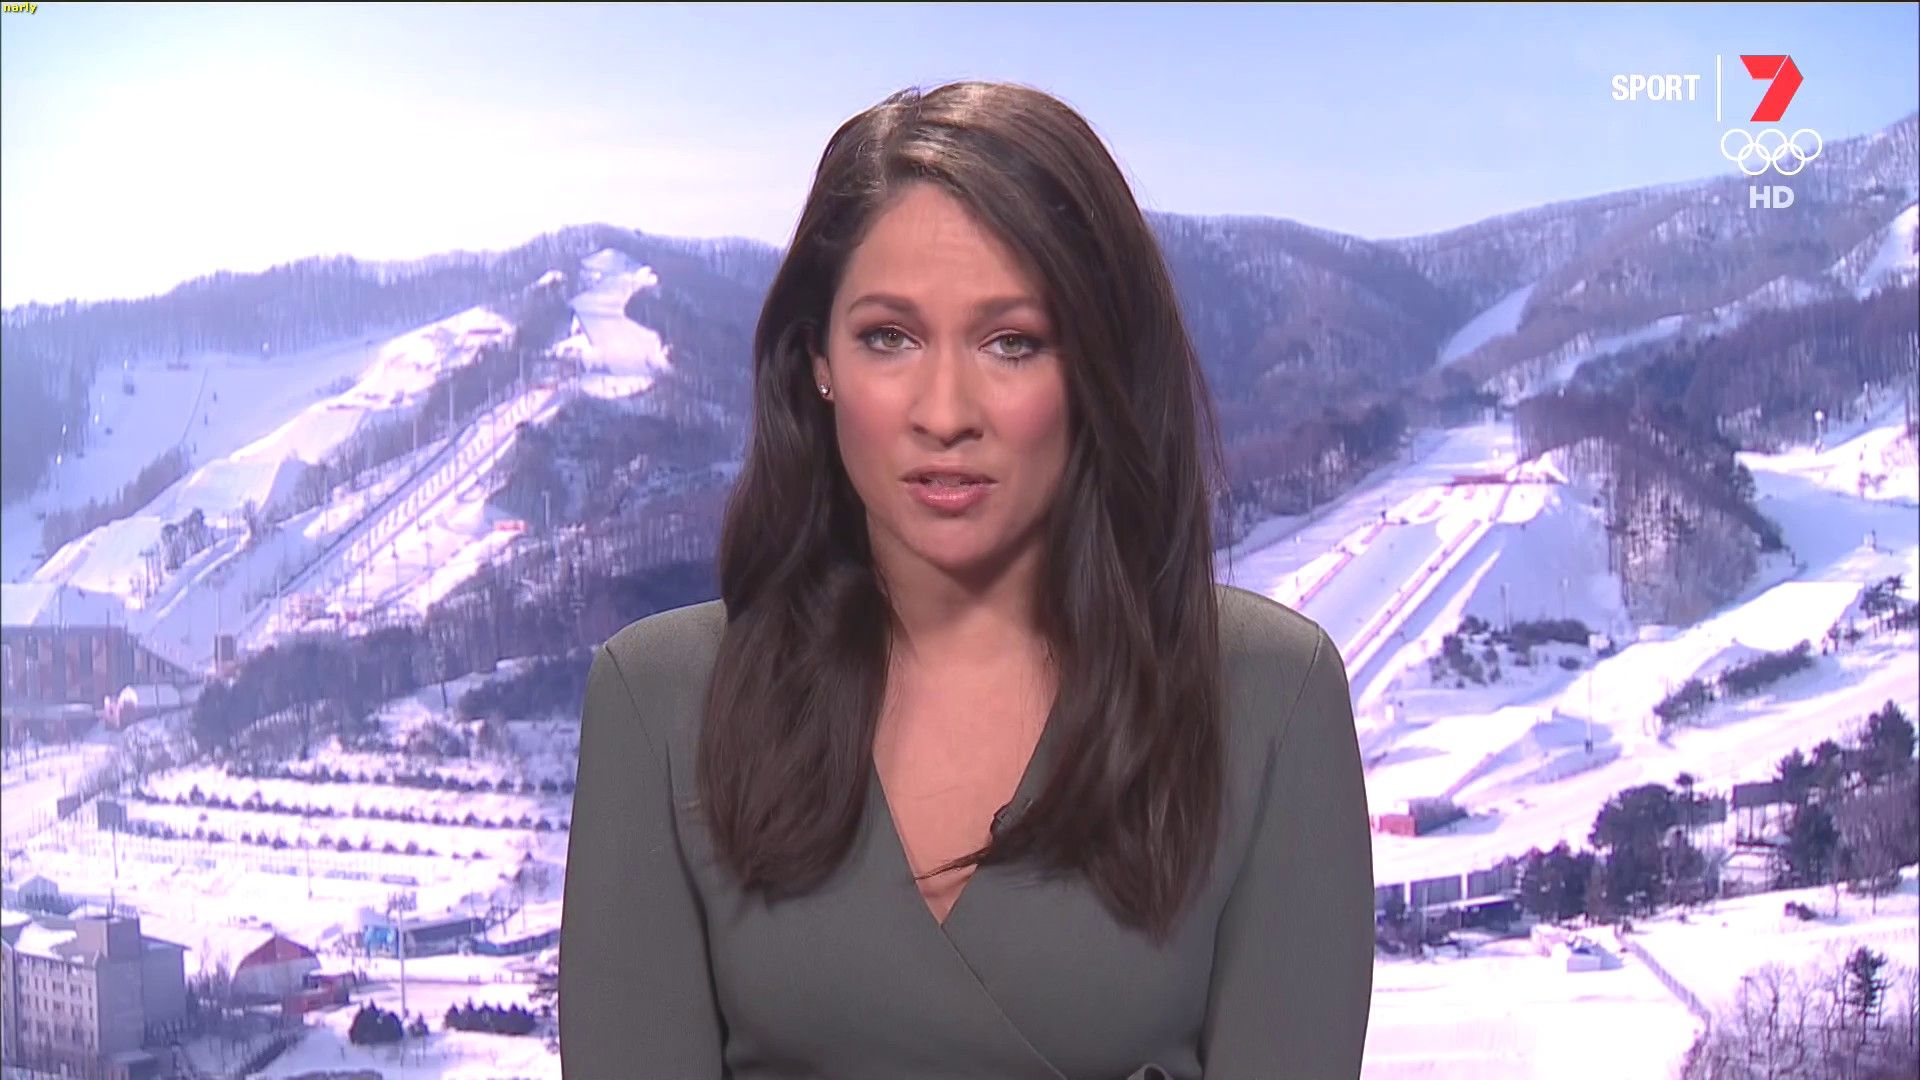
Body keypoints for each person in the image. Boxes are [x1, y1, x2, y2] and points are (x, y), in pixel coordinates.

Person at [560, 80, 1373, 1079]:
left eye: (1012, 343)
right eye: (888, 337)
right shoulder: (658, 702)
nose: (945, 412)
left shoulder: (1270, 696)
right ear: (817, 361)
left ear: (1099, 367)